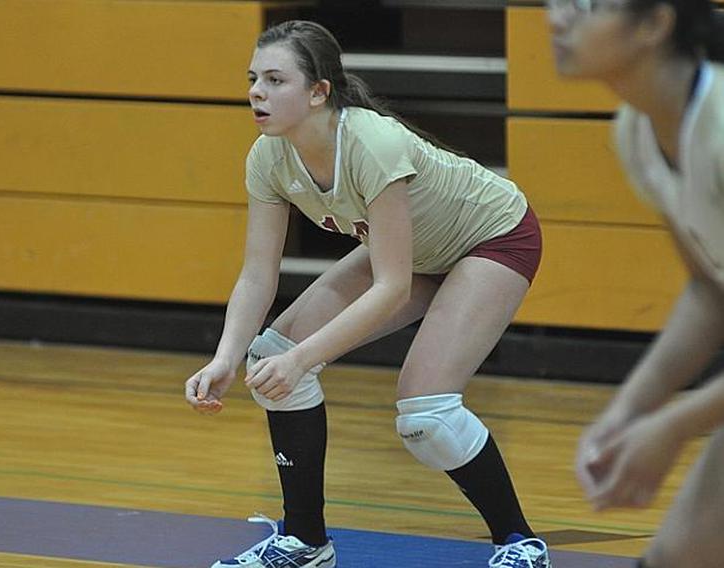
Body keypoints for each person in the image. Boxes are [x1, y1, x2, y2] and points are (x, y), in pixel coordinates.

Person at [184, 20, 550, 568]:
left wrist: (305, 357)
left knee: (426, 415)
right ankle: (305, 541)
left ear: (318, 92)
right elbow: (257, 276)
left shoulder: (371, 142)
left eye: (275, 79)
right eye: (253, 78)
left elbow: (391, 287)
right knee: (270, 357)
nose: (257, 91)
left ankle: (520, 543)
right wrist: (225, 358)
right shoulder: (267, 157)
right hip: (412, 254)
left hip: (492, 237)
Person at [547, 1, 724, 567]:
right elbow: (709, 290)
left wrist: (672, 425)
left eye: (583, 6)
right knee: (679, 556)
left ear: (655, 24)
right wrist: (629, 411)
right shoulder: (639, 131)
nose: (555, 20)